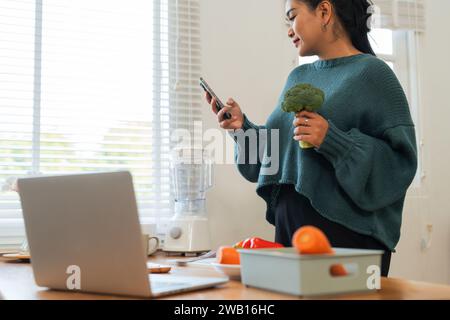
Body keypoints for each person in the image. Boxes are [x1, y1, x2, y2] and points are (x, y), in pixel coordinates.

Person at [205, 0, 418, 277]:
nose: (289, 30)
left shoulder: (373, 74)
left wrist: (332, 140)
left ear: (325, 12)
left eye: (292, 16)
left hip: (349, 242)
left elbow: (400, 164)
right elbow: (270, 161)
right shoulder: (297, 77)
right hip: (290, 237)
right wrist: (240, 129)